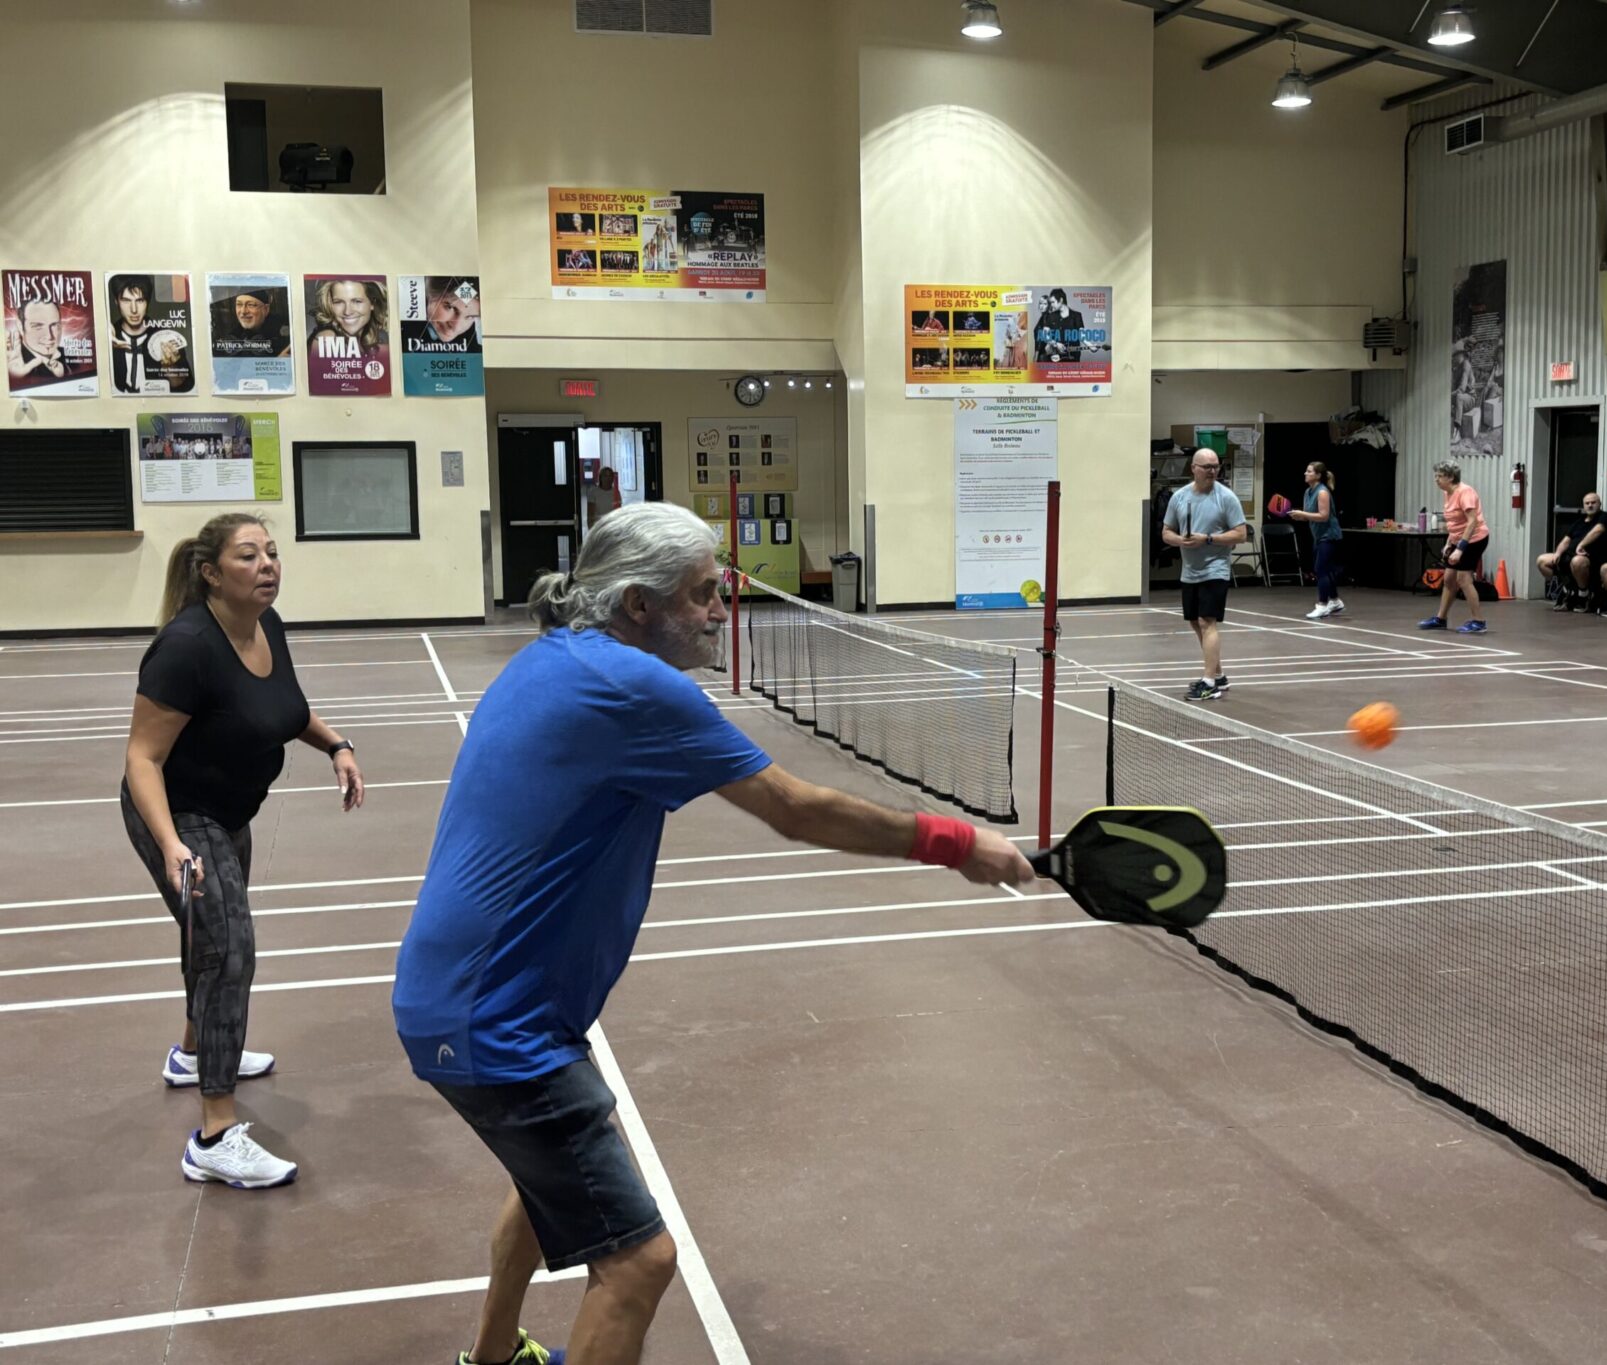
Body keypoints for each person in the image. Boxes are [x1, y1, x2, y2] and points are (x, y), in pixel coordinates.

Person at [392, 504, 1032, 1365]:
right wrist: (958, 843)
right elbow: (795, 810)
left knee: (549, 1186)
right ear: (636, 605)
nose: (720, 610)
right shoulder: (635, 687)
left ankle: (494, 1356)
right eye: (701, 594)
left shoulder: (551, 658)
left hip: (467, 997)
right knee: (638, 1262)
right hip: (497, 1024)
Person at [122, 513, 366, 1190]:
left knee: (209, 942)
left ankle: (193, 1053)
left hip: (229, 814)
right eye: (248, 555)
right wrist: (170, 843)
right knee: (229, 950)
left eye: (272, 553)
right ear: (210, 572)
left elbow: (285, 706)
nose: (268, 565)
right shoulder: (186, 647)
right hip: (178, 814)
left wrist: (336, 745)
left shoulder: (267, 626)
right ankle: (215, 1134)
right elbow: (142, 757)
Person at [1161, 447, 1248, 700]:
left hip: (1215, 568)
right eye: (1207, 466)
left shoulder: (1227, 497)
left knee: (1206, 621)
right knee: (1194, 621)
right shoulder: (1179, 497)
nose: (1212, 471)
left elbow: (1241, 534)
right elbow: (1166, 531)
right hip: (1190, 571)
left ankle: (1208, 681)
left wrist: (1208, 539)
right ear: (1194, 468)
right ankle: (1219, 676)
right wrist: (1179, 540)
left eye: (1215, 466)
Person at [1418, 462, 1490, 633]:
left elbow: (1472, 522)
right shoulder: (1447, 493)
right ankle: (1440, 619)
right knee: (1449, 579)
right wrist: (1449, 543)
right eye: (1436, 476)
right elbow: (1455, 523)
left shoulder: (1465, 492)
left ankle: (1479, 622)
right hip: (1459, 539)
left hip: (1474, 539)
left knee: (1463, 579)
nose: (1436, 479)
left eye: (1440, 476)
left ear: (1450, 477)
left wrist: (1460, 548)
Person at [1538, 491, 1607, 613]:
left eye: (1593, 502)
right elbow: (1566, 540)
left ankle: (1583, 595)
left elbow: (1598, 530)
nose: (1590, 505)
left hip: (1593, 559)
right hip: (1570, 556)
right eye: (1587, 503)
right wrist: (1558, 553)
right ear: (1583, 505)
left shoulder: (1605, 517)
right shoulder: (1579, 522)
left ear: (1599, 504)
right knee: (1542, 560)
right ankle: (1567, 589)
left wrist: (1581, 545)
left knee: (1577, 561)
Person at [1286, 461, 1343, 618]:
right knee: (1327, 569)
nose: (1305, 473)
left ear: (1318, 475)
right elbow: (1309, 516)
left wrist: (1303, 514)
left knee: (1321, 570)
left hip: (1330, 536)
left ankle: (1323, 605)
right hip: (1318, 536)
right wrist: (1298, 516)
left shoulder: (1322, 492)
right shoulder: (1307, 492)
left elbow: (1323, 516)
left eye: (1309, 471)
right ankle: (1336, 601)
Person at [308, 278, 388, 357]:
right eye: (338, 302)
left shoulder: (367, 341)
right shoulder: (328, 338)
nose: (347, 312)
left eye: (357, 301)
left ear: (372, 303)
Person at [7, 297, 73, 383]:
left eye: (54, 325)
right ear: (20, 326)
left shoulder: (71, 356)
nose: (49, 336)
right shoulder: (12, 364)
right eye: (38, 326)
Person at [1034, 288, 1086, 363]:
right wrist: (1055, 344)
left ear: (1061, 300)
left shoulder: (1077, 315)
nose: (1050, 305)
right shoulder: (1050, 316)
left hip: (1073, 359)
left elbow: (1082, 336)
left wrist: (1091, 345)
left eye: (1053, 302)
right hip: (1055, 359)